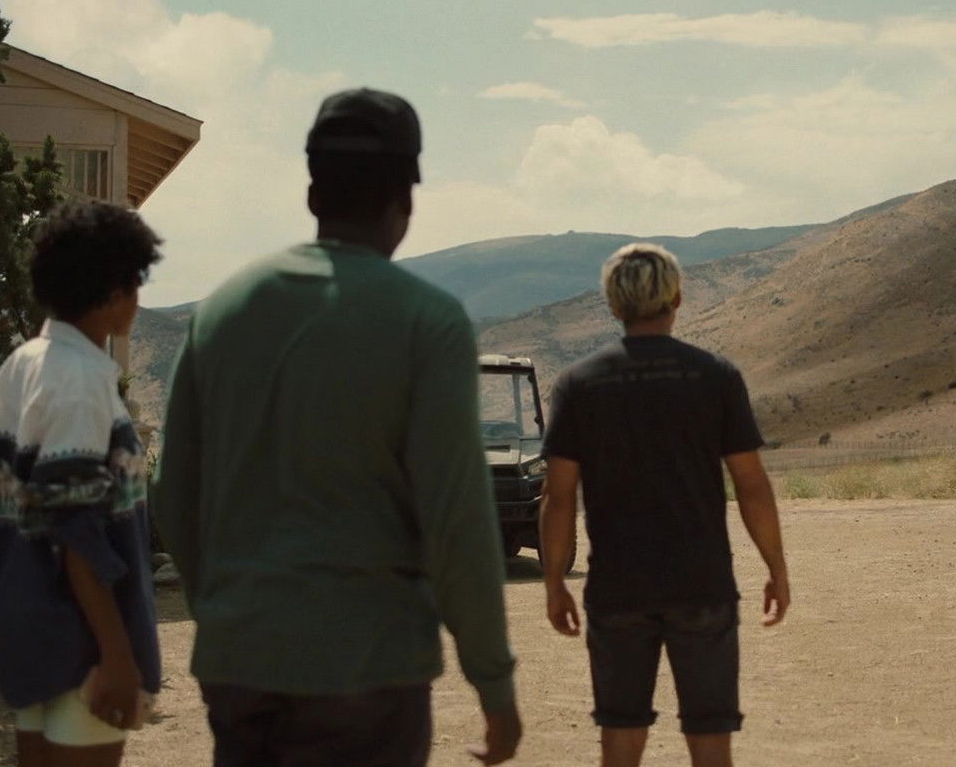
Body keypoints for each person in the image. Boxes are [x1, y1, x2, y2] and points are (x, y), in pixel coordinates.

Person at [152, 88, 522, 767]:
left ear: (312, 193)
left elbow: (171, 494)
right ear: (405, 201)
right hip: (368, 670)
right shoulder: (427, 322)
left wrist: (230, 609)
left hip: (241, 665)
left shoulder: (221, 313)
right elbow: (456, 521)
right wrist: (493, 683)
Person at [539, 242, 790, 767]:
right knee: (711, 738)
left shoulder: (579, 384)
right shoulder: (715, 375)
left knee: (621, 736)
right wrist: (776, 568)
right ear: (676, 298)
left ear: (613, 304)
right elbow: (751, 485)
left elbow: (559, 498)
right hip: (702, 583)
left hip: (618, 589)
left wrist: (554, 582)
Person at [0, 199, 165, 767]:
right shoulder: (79, 380)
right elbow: (76, 524)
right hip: (80, 641)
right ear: (113, 291)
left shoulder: (23, 366)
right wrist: (118, 654)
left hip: (27, 626)